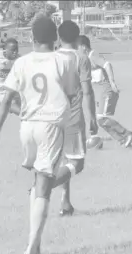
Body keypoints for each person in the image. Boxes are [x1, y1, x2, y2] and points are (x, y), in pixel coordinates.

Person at [0, 17, 78, 254]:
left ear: (32, 38)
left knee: (38, 181)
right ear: (55, 38)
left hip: (26, 127)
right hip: (50, 126)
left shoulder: (21, 62)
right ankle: (32, 246)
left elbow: (6, 101)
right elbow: (71, 94)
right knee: (44, 186)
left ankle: (34, 246)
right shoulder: (64, 61)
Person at [54, 21, 98, 216]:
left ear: (58, 36)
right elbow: (87, 91)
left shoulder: (50, 58)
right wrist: (93, 118)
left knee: (64, 162)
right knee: (76, 164)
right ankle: (42, 189)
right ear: (77, 36)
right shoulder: (81, 58)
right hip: (72, 118)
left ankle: (65, 204)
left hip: (50, 118)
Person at [76, 35, 132, 147]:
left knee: (101, 119)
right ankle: (123, 140)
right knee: (100, 121)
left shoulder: (93, 55)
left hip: (106, 91)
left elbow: (107, 65)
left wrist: (112, 81)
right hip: (100, 94)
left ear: (83, 47)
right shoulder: (86, 59)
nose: (77, 50)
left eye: (77, 47)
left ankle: (127, 134)